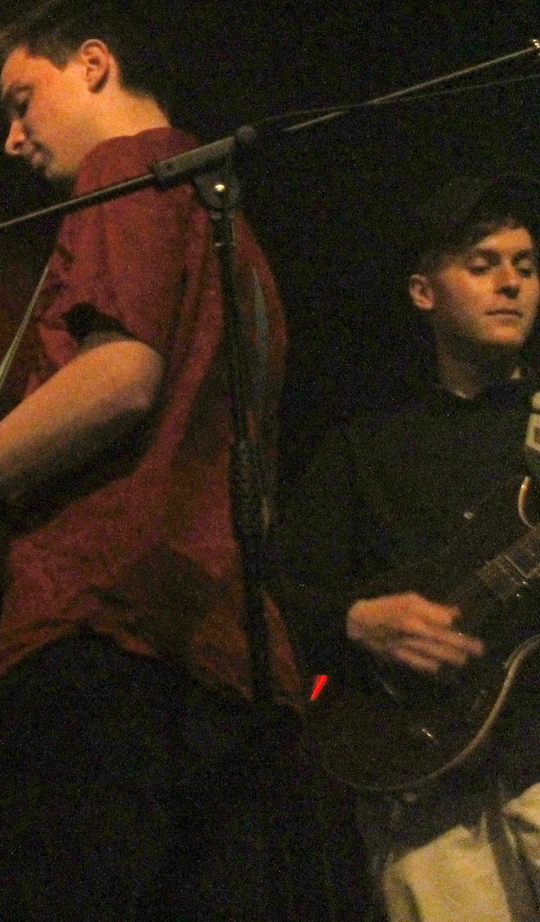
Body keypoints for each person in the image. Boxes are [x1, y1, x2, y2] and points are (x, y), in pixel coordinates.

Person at [0, 0, 301, 919]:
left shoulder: (128, 171)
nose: (12, 139)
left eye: (22, 101)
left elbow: (121, 375)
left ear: (94, 63)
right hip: (219, 648)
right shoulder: (231, 230)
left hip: (101, 635)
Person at [273, 175, 540, 920]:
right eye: (483, 264)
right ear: (423, 292)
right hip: (420, 783)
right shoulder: (365, 447)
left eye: (525, 265)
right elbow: (271, 592)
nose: (511, 282)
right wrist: (356, 621)